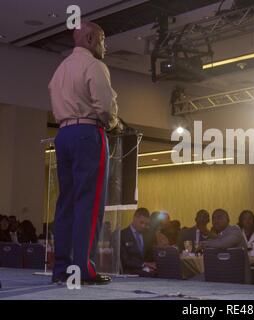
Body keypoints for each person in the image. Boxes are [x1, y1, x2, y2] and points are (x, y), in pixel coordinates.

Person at [48, 21, 122, 285]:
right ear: (91, 38)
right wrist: (113, 122)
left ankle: (62, 270)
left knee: (66, 204)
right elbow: (104, 106)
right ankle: (83, 269)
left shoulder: (60, 69)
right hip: (87, 134)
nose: (105, 46)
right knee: (89, 205)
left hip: (63, 134)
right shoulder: (94, 66)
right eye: (103, 40)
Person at [199, 209, 250, 283]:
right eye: (213, 218)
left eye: (219, 217)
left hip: (238, 279)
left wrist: (203, 244)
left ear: (228, 219)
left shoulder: (235, 230)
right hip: (221, 277)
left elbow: (223, 244)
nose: (216, 221)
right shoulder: (220, 235)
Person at [120, 208, 156, 276]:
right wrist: (143, 264)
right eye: (141, 222)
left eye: (146, 224)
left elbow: (151, 254)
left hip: (148, 271)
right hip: (130, 272)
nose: (143, 226)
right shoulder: (122, 235)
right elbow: (125, 260)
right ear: (134, 218)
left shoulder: (149, 234)